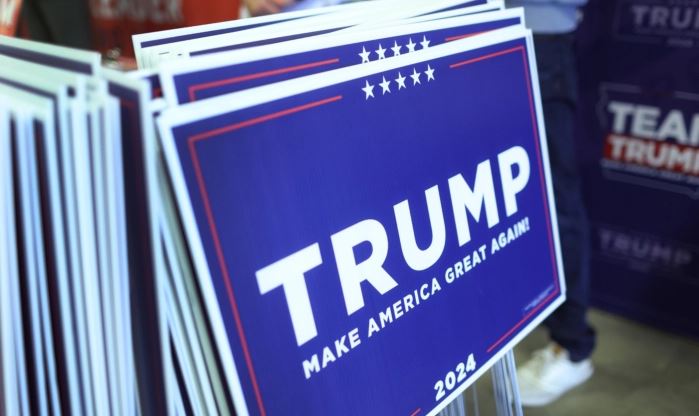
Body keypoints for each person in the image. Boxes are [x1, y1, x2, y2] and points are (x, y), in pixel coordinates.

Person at [505, 0, 596, 407]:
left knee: (554, 199)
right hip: (459, 29)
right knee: (483, 193)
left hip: (536, 36)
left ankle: (571, 344)